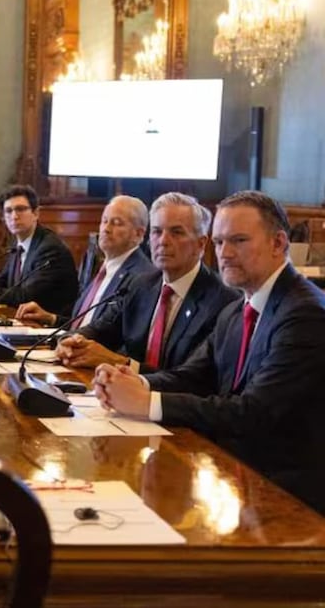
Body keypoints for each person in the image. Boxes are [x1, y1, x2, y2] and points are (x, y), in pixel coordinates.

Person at [93, 191, 325, 514]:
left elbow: (252, 413)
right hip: (231, 476)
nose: (225, 253)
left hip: (287, 498)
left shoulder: (305, 314)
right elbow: (194, 375)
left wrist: (148, 403)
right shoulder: (237, 309)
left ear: (279, 243)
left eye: (239, 240)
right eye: (218, 242)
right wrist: (130, 383)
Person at [57, 192, 238, 371]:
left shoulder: (222, 302)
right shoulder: (140, 285)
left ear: (201, 244)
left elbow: (191, 380)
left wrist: (120, 363)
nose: (163, 241)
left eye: (176, 232)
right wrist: (72, 341)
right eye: (157, 231)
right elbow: (99, 331)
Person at [16, 195, 155, 327]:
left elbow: (117, 339)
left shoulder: (141, 278)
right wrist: (50, 318)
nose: (106, 229)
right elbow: (83, 325)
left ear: (139, 233)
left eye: (117, 223)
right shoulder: (99, 267)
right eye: (104, 221)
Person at [0, 184, 79, 317]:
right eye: (8, 211)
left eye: (20, 209)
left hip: (50, 327)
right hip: (23, 319)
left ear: (36, 213)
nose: (14, 216)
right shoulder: (19, 243)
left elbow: (27, 296)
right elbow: (4, 280)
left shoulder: (50, 249)